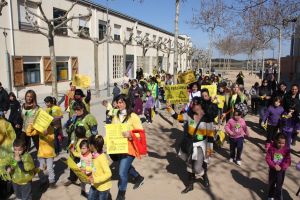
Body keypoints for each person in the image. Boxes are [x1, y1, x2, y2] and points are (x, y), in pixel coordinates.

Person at [167, 97, 218, 193]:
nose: (192, 105)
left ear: (200, 105)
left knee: (197, 168)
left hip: (201, 146)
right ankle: (190, 185)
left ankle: (203, 175)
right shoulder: (189, 115)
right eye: (192, 103)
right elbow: (178, 117)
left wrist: (209, 152)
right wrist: (169, 108)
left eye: (195, 104)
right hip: (189, 144)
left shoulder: (208, 119)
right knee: (189, 165)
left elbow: (210, 137)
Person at [112, 94, 145, 200]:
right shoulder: (116, 115)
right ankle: (138, 177)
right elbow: (112, 131)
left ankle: (121, 193)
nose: (118, 104)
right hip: (118, 147)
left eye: (121, 102)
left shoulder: (133, 116)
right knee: (125, 166)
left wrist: (131, 134)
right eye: (117, 102)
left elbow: (140, 133)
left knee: (122, 172)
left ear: (126, 102)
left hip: (130, 148)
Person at [266, 133, 291, 200]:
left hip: (281, 171)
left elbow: (288, 161)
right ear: (276, 141)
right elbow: (268, 158)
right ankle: (270, 195)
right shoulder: (271, 148)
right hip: (272, 170)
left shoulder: (287, 150)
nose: (281, 145)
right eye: (279, 142)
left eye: (283, 143)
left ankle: (277, 197)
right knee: (271, 183)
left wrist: (282, 167)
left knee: (279, 186)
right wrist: (274, 166)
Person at [88, 135, 112, 200]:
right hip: (95, 184)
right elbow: (94, 168)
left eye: (89, 144)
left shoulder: (101, 158)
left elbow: (108, 174)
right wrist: (85, 169)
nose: (88, 145)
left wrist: (95, 180)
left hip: (103, 187)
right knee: (90, 198)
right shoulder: (94, 155)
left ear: (92, 146)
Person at [0, 115, 16, 199]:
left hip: (6, 153)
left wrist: (14, 150)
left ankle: (10, 190)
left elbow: (13, 138)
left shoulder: (4, 123)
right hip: (5, 153)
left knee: (8, 172)